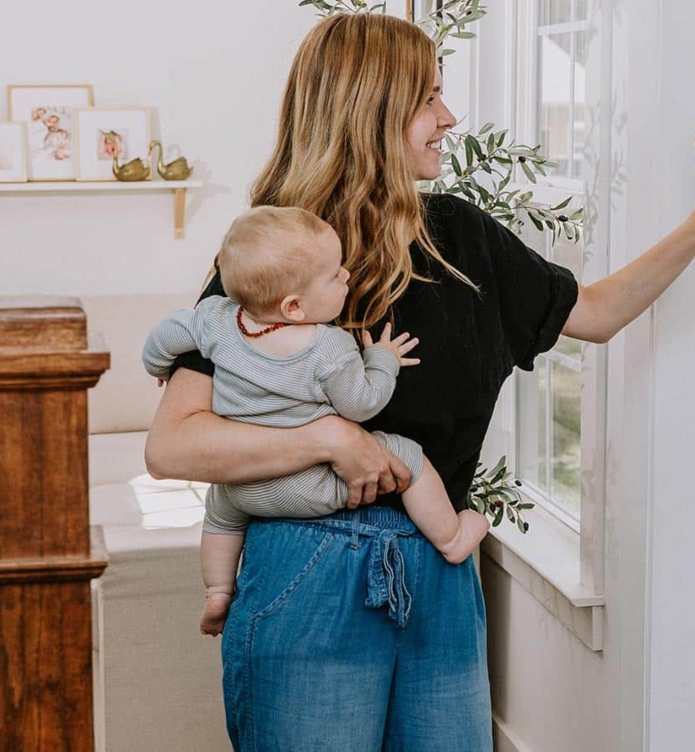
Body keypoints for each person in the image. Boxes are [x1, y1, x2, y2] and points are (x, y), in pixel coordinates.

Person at [144, 11, 695, 751]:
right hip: (306, 569)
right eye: (429, 98)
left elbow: (597, 312)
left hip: (442, 568)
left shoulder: (460, 236)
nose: (448, 117)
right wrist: (331, 438)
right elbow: (174, 445)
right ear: (373, 112)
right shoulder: (279, 253)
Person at [140, 205, 490, 636]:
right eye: (333, 274)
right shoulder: (328, 346)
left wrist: (159, 367)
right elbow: (361, 404)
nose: (345, 276)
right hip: (311, 484)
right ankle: (452, 538)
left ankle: (217, 591)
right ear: (294, 305)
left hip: (244, 490)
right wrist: (382, 360)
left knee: (219, 512)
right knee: (407, 455)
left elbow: (163, 336)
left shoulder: (215, 321)